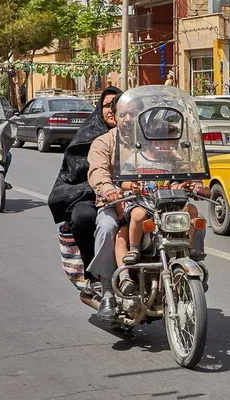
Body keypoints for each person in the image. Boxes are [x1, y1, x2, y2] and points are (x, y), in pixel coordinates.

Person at [87, 96, 210, 320]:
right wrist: (110, 190)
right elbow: (98, 173)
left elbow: (181, 165)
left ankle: (193, 268)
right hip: (119, 201)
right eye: (123, 114)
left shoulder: (154, 139)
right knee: (107, 228)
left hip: (156, 202)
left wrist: (195, 184)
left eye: (132, 113)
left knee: (195, 218)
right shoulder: (104, 142)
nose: (127, 118)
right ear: (114, 116)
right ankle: (107, 291)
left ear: (141, 116)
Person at [47, 86, 123, 275]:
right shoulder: (90, 136)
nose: (111, 110)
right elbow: (83, 171)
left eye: (117, 105)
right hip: (87, 194)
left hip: (129, 196)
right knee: (83, 218)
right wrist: (105, 189)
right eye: (106, 105)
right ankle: (93, 275)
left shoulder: (138, 135)